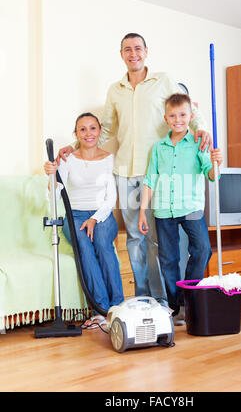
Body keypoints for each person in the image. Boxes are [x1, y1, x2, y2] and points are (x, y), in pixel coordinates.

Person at [56, 33, 213, 307]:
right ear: (121, 54)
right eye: (127, 49)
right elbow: (105, 129)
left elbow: (187, 106)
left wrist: (202, 130)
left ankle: (164, 298)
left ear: (146, 51)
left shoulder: (163, 80)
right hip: (126, 175)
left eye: (138, 48)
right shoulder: (115, 90)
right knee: (135, 238)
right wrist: (73, 146)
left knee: (157, 240)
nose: (133, 54)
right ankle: (142, 296)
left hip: (157, 174)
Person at [138, 93, 223, 325]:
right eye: (173, 116)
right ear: (166, 118)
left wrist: (217, 163)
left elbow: (210, 174)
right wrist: (142, 210)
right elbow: (150, 180)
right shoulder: (158, 148)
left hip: (192, 207)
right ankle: (176, 307)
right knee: (167, 258)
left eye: (183, 115)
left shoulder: (199, 143)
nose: (178, 120)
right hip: (164, 209)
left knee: (203, 250)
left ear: (191, 116)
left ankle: (188, 295)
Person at [44, 112, 124, 329]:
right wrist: (51, 176)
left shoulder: (109, 159)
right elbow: (55, 194)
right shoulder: (67, 159)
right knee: (85, 248)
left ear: (99, 131)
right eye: (83, 129)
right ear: (76, 134)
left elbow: (111, 198)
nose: (88, 133)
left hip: (102, 214)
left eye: (92, 128)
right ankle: (100, 311)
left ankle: (118, 307)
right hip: (75, 215)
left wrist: (95, 219)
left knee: (102, 245)